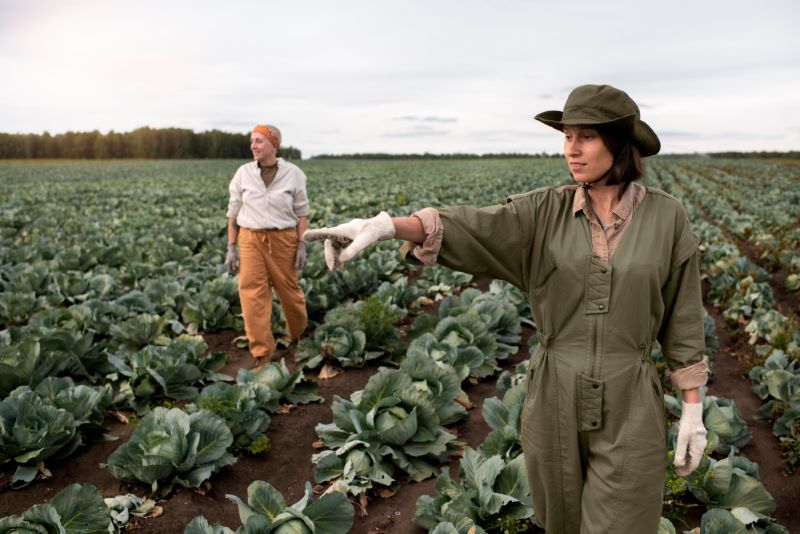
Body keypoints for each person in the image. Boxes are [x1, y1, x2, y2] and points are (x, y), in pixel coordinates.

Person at [304, 85, 709, 533]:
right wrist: (384, 227)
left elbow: (683, 319)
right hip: (555, 390)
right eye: (566, 136)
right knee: (562, 520)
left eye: (586, 137)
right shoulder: (542, 212)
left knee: (625, 519)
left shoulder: (666, 218)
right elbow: (473, 227)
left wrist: (693, 411)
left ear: (619, 143)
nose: (571, 150)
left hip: (631, 395)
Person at [225, 124, 309, 370]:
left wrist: (302, 244)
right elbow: (233, 213)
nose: (253, 146)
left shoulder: (293, 174)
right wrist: (231, 247)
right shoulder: (243, 173)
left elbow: (302, 213)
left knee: (289, 292)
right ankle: (262, 354)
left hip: (283, 239)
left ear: (274, 144)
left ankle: (299, 338)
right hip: (250, 239)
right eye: (252, 141)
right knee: (251, 294)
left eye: (259, 141)